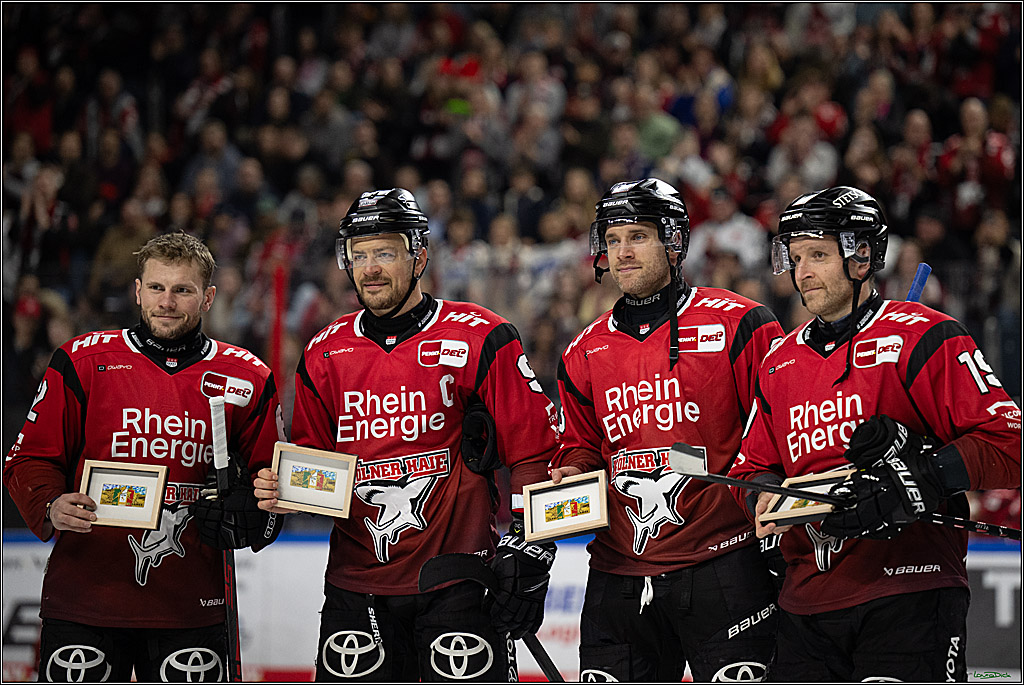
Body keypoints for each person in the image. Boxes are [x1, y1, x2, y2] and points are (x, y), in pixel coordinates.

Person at [254, 188, 559, 682]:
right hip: (356, 587)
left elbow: (537, 451)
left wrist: (531, 547)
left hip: (459, 581)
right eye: (359, 255)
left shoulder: (482, 335)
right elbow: (311, 464)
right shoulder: (324, 353)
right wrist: (283, 491)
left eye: (385, 252)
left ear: (419, 255)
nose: (370, 267)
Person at [727, 186, 1021, 681]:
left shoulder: (928, 336)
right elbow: (750, 470)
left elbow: (1009, 441)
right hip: (808, 603)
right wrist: (768, 502)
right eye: (796, 257)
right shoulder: (779, 362)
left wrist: (921, 472)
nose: (803, 272)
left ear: (862, 255)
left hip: (911, 590)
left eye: (818, 254)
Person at [3, 232, 285, 682]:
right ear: (138, 290)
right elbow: (27, 460)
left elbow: (272, 483)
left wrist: (256, 515)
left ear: (208, 297)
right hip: (85, 597)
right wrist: (50, 503)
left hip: (193, 603)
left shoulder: (246, 376)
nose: (167, 301)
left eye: (182, 290)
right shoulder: (81, 361)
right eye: (156, 287)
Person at [550, 178, 785, 681]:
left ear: (674, 241)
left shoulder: (744, 324)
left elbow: (779, 432)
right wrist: (569, 471)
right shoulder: (583, 351)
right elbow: (582, 447)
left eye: (637, 236)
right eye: (612, 241)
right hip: (619, 571)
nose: (622, 253)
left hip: (726, 564)